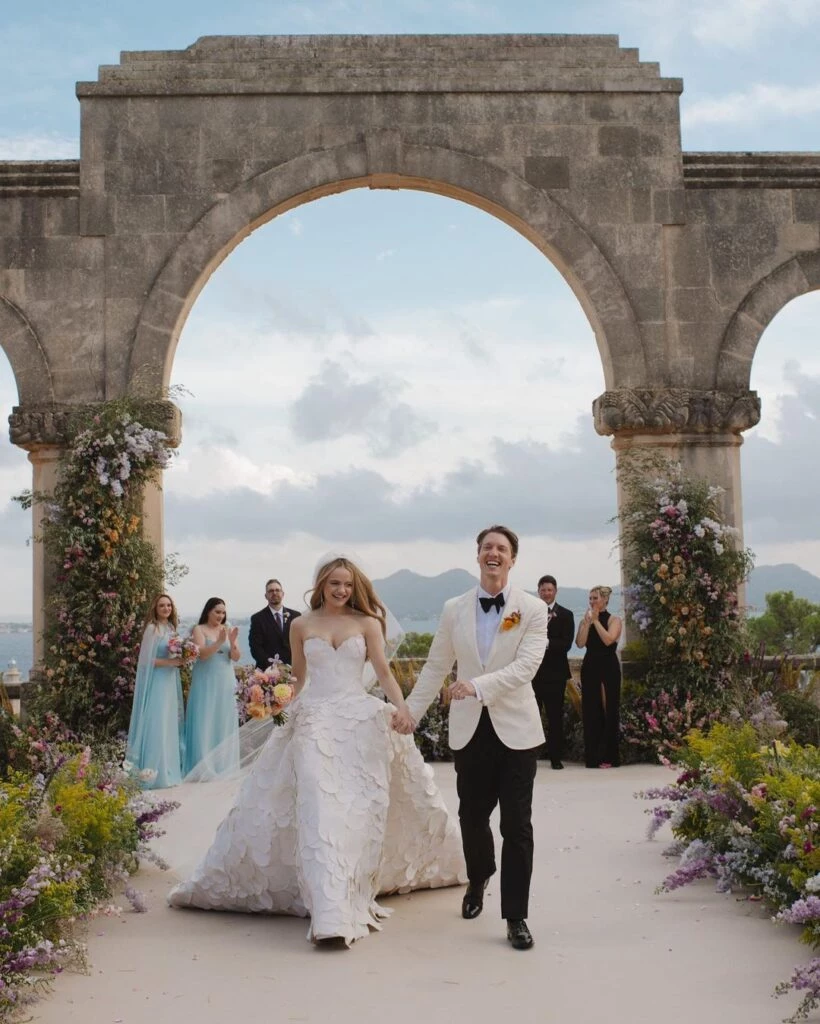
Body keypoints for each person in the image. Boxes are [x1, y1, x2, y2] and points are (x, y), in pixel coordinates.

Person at [168, 556, 465, 946]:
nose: (341, 590)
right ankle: (330, 914)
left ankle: (348, 891)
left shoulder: (368, 623)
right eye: (334, 584)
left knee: (357, 808)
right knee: (316, 802)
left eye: (347, 584)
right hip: (313, 719)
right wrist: (271, 695)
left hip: (359, 720)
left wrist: (403, 709)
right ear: (321, 585)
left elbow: (383, 671)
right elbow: (299, 676)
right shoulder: (301, 624)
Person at [405, 525, 549, 951]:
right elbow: (435, 666)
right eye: (487, 547)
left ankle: (516, 916)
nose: (494, 553)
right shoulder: (454, 608)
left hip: (518, 733)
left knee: (517, 826)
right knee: (471, 818)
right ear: (478, 555)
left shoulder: (533, 609)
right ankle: (479, 876)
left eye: (501, 549)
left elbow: (526, 668)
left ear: (512, 559)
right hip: (470, 731)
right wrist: (410, 713)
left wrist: (477, 686)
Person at [126, 594, 185, 789]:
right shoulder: (152, 629)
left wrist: (185, 656)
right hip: (157, 683)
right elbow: (145, 661)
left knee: (169, 725)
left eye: (169, 605)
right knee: (157, 724)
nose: (166, 608)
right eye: (162, 605)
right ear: (155, 608)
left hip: (169, 682)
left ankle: (169, 771)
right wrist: (171, 662)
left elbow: (176, 653)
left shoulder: (171, 629)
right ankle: (153, 773)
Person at [183, 597, 241, 778]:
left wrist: (231, 642)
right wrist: (218, 642)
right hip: (206, 681)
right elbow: (202, 655)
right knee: (205, 719)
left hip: (226, 680)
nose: (221, 615)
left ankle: (225, 765)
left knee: (224, 720)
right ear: (208, 611)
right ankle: (203, 767)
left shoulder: (227, 628)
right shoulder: (198, 629)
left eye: (223, 612)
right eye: (217, 611)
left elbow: (236, 657)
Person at [531, 574, 575, 770]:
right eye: (543, 590)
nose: (546, 593)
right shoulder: (530, 613)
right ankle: (529, 758)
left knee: (555, 717)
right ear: (538, 591)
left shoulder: (566, 614)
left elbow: (566, 644)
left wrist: (546, 643)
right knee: (531, 717)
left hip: (556, 675)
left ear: (555, 591)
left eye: (549, 590)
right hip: (532, 674)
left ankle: (556, 758)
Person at [575, 586, 622, 769]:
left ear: (605, 600)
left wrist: (596, 621)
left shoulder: (614, 619)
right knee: (591, 711)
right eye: (590, 598)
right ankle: (593, 756)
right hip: (590, 666)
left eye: (595, 598)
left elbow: (609, 640)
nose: (592, 601)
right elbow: (580, 643)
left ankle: (609, 756)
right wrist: (587, 623)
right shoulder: (585, 620)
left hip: (608, 667)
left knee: (608, 708)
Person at [248, 579, 301, 669]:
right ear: (266, 596)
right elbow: (255, 648)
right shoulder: (257, 618)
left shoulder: (296, 616)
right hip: (268, 673)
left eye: (277, 590)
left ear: (283, 594)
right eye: (271, 591)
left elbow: (300, 644)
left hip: (293, 670)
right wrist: (273, 667)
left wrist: (290, 666)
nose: (274, 593)